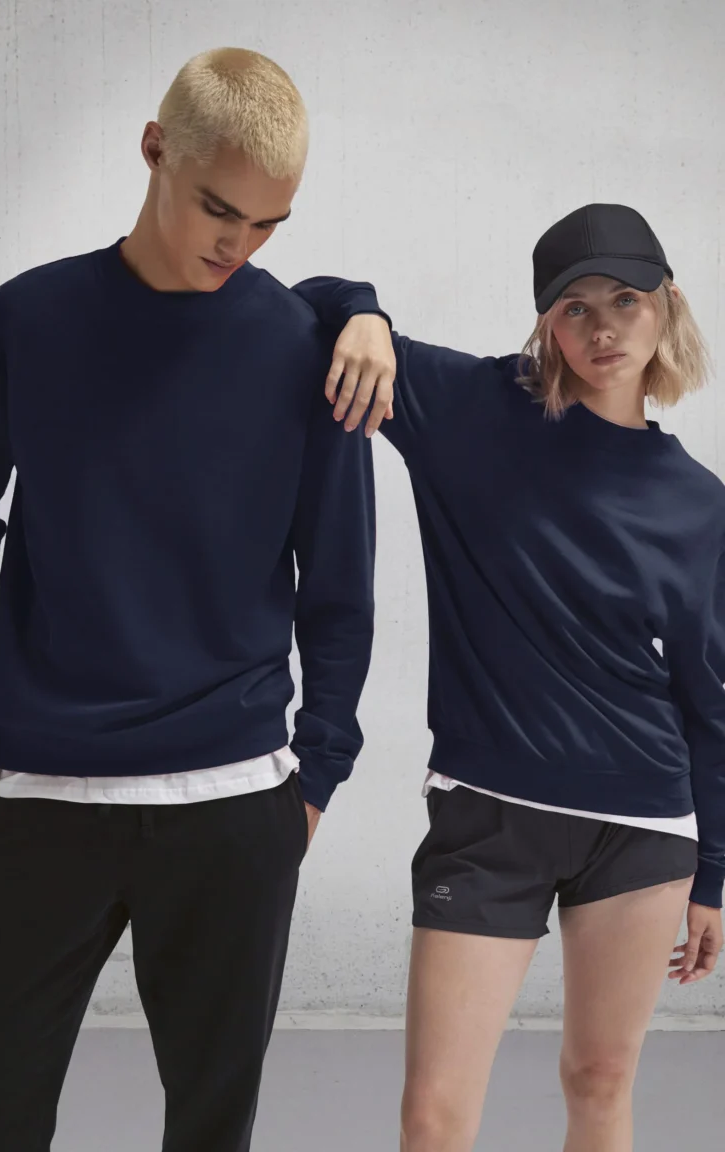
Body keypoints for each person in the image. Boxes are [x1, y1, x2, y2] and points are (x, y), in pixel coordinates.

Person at [0, 48, 375, 1152]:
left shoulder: (310, 351)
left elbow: (340, 585)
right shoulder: (27, 317)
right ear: (155, 150)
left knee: (210, 1130)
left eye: (270, 225)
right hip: (40, 787)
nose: (239, 246)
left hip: (232, 801)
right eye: (218, 209)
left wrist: (319, 768)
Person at [293, 202, 725, 1152]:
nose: (603, 327)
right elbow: (307, 306)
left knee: (600, 1081)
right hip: (488, 814)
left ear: (667, 304)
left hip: (643, 824)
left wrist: (717, 875)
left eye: (625, 299)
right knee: (434, 1114)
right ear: (545, 325)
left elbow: (711, 702)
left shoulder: (699, 505)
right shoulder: (473, 409)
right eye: (576, 309)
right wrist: (363, 309)